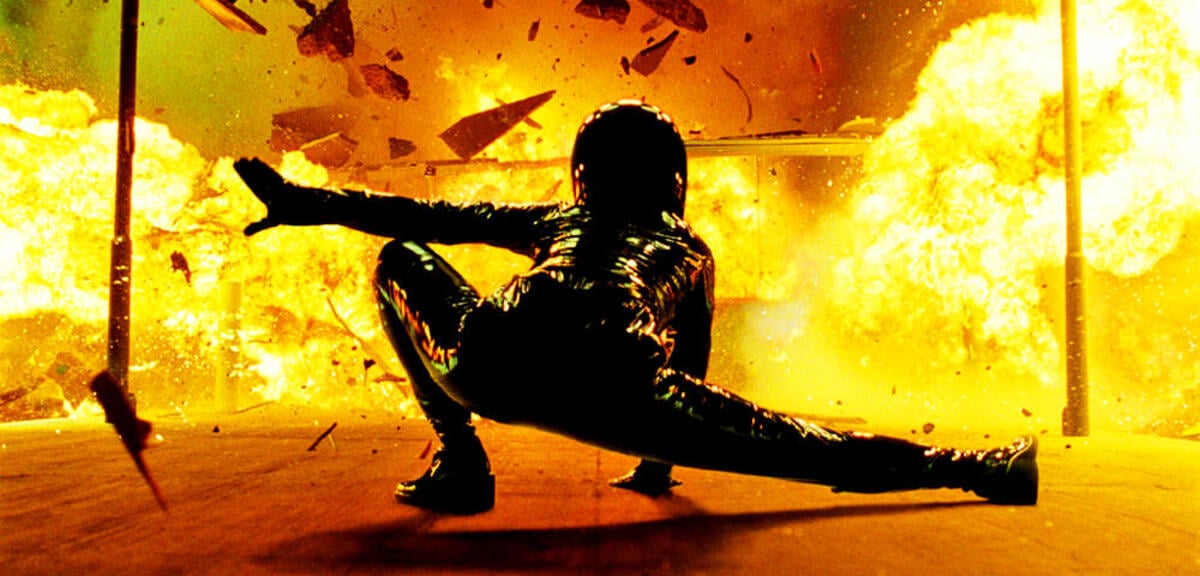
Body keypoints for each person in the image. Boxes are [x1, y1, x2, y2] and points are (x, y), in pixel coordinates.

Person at [234, 100, 1038, 514]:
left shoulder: (558, 218)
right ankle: (979, 470)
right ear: (674, 178)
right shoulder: (688, 247)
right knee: (806, 443)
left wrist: (308, 202)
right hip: (620, 387)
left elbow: (423, 220)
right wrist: (658, 458)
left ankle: (461, 459)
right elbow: (692, 361)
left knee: (399, 260)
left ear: (583, 174)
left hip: (495, 357)